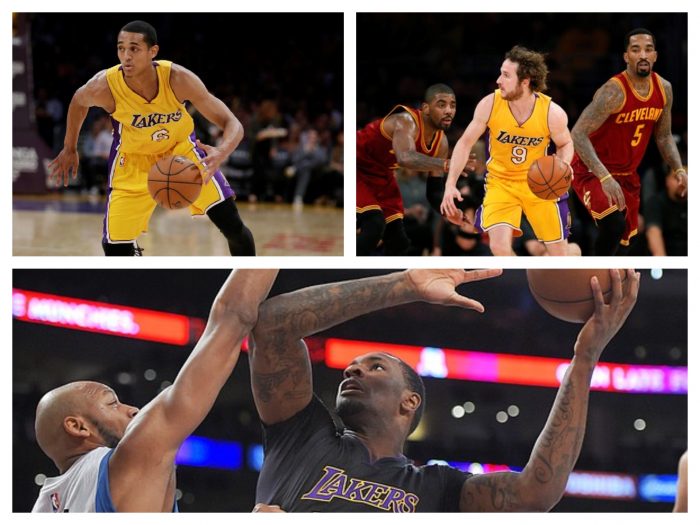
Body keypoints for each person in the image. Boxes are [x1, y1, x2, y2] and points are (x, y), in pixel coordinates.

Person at [249, 268, 639, 512]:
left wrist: (585, 357)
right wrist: (404, 283)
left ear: (410, 401)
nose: (353, 367)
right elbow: (271, 326)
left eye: (376, 365)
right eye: (355, 364)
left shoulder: (437, 488)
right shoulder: (302, 436)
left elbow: (535, 492)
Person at [31, 269, 278, 512]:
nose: (132, 410)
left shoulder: (42, 507)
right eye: (112, 404)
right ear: (78, 427)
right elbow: (232, 317)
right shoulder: (134, 453)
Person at [48, 20, 255, 256]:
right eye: (121, 48)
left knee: (233, 227)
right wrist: (69, 147)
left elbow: (233, 123)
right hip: (132, 161)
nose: (126, 56)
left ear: (152, 52)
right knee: (115, 248)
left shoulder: (177, 79)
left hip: (182, 155)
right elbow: (78, 101)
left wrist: (222, 151)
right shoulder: (105, 85)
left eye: (134, 49)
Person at [441, 46, 575, 256]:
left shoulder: (552, 113)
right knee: (499, 247)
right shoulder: (489, 104)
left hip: (539, 183)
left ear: (525, 80)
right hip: (501, 182)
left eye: (506, 75)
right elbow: (465, 143)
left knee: (559, 254)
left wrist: (563, 164)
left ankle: (572, 254)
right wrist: (450, 185)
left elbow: (565, 143)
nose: (498, 80)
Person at [570, 28, 687, 255]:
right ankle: (594, 273)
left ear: (655, 56)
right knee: (613, 225)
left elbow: (663, 136)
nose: (643, 54)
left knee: (626, 242)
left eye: (648, 49)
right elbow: (578, 134)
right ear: (626, 56)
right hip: (592, 169)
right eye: (636, 50)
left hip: (627, 174)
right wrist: (604, 177)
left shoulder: (664, 90)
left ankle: (608, 276)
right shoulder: (613, 91)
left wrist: (678, 168)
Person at [356, 84, 473, 255]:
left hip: (382, 174)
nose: (449, 110)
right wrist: (446, 164)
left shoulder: (441, 142)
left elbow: (434, 192)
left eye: (452, 105)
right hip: (357, 165)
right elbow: (405, 158)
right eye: (442, 104)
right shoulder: (406, 121)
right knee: (374, 224)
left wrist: (450, 211)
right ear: (425, 108)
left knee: (399, 242)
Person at [645, 165, 687, 255]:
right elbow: (654, 233)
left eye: (686, 177)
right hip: (666, 257)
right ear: (667, 181)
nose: (682, 182)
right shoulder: (655, 202)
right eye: (677, 178)